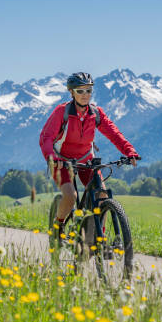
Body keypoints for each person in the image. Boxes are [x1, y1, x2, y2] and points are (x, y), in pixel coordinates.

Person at [39, 72, 139, 239]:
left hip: (86, 160)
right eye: (80, 91)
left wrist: (130, 151)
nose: (85, 95)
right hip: (62, 162)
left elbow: (114, 134)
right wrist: (52, 158)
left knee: (102, 195)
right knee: (71, 196)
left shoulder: (96, 113)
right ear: (71, 92)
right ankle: (58, 227)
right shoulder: (62, 112)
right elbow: (46, 138)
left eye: (88, 90)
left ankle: (99, 237)